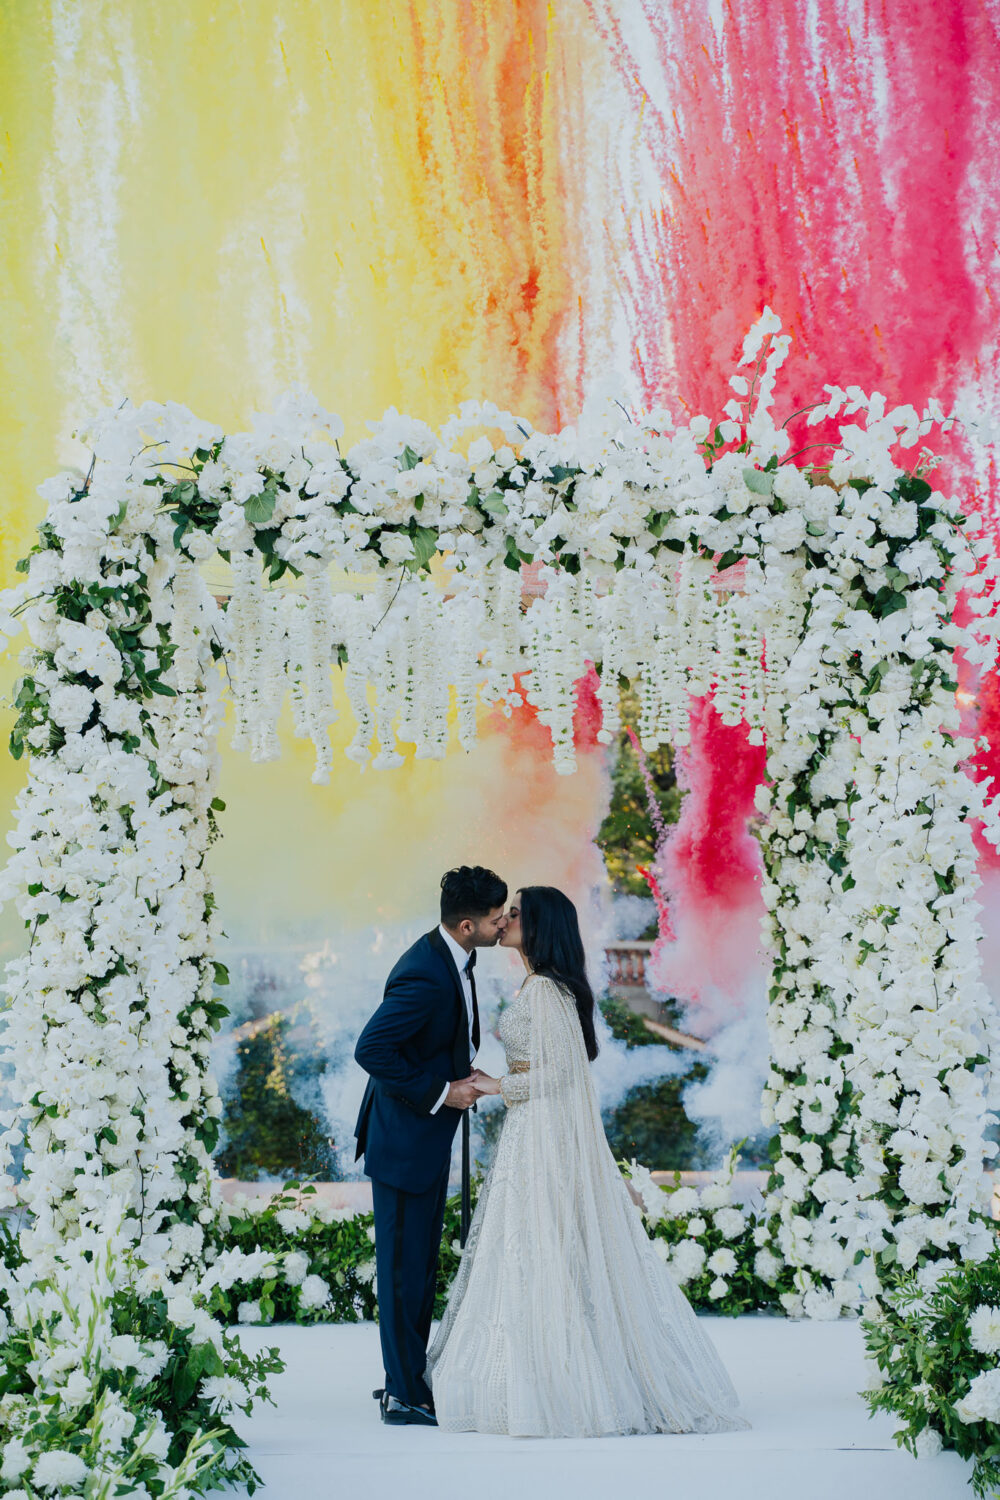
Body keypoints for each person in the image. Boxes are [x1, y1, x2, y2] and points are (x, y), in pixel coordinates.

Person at [426, 885, 749, 1437]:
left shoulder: (546, 993)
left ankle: (556, 1385)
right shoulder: (542, 987)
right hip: (532, 1130)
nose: (504, 919)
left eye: (518, 913)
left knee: (542, 1245)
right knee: (535, 1248)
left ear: (541, 926)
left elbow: (560, 1076)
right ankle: (547, 1371)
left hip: (542, 1133)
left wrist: (499, 1085)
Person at [353, 865, 508, 1427]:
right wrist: (444, 1092)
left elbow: (431, 1041)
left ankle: (410, 1380)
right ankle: (402, 1395)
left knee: (416, 1270)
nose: (502, 927)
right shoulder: (426, 972)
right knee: (401, 1272)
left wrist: (463, 1074)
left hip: (421, 1138)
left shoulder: (449, 957)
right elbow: (372, 1049)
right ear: (467, 925)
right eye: (495, 920)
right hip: (403, 1143)